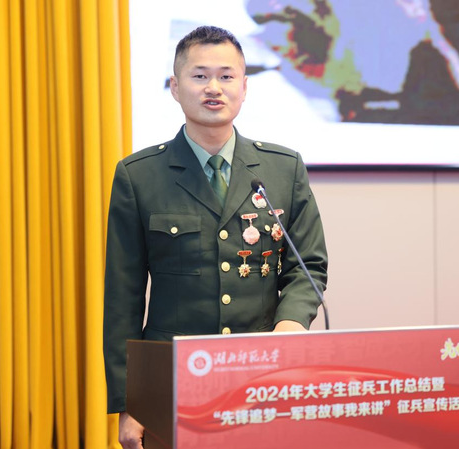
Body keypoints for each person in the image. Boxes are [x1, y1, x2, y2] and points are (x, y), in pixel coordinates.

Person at [103, 25, 328, 449]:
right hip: (171, 383)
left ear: (244, 87)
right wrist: (129, 402)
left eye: (226, 76)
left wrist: (291, 323)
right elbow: (123, 298)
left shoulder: (283, 169)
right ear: (175, 87)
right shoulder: (139, 176)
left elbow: (308, 265)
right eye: (200, 76)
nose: (214, 88)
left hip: (264, 376)